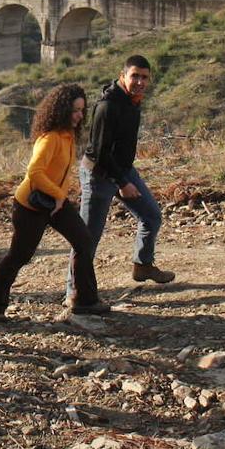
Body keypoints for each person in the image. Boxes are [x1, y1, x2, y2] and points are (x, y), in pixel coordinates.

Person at [0, 84, 108, 319]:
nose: (79, 116)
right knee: (20, 255)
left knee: (83, 241)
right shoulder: (50, 137)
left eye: (82, 110)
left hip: (54, 203)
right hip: (31, 205)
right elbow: (35, 171)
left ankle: (85, 300)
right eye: (75, 110)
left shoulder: (68, 135)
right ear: (61, 111)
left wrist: (59, 196)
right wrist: (60, 194)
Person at [74, 55, 175, 296]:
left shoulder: (133, 101)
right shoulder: (108, 106)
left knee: (151, 216)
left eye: (144, 77)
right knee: (87, 239)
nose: (140, 81)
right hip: (99, 175)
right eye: (135, 76)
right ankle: (75, 293)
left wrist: (125, 176)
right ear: (123, 76)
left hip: (123, 170)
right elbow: (100, 152)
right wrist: (122, 183)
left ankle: (142, 266)